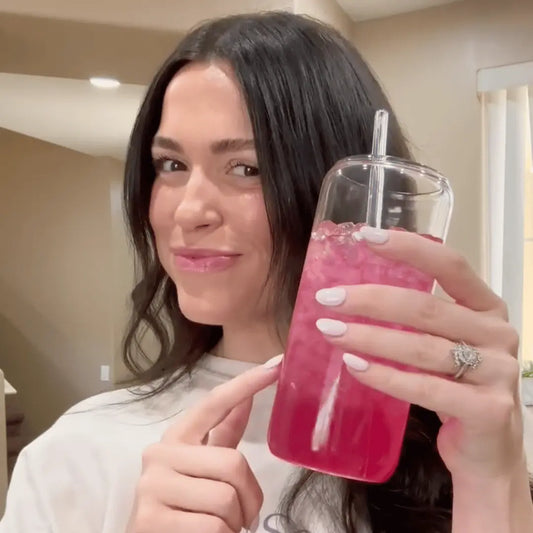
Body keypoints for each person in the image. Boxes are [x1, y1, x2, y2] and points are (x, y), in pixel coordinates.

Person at [1, 11, 532, 533]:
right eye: (171, 165)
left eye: (245, 168)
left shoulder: (452, 442)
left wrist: (493, 479)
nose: (188, 211)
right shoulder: (74, 457)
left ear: (344, 194)